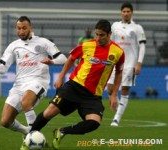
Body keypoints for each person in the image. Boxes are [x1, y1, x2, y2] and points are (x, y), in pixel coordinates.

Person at [23, 19, 125, 150]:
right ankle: (27, 142)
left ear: (109, 34)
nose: (98, 38)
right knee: (49, 113)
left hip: (93, 95)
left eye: (101, 35)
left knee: (94, 123)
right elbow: (71, 59)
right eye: (96, 34)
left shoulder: (118, 52)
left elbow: (118, 73)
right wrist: (60, 77)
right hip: (74, 87)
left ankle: (61, 132)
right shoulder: (86, 45)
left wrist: (114, 94)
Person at [0, 16, 67, 138]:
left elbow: (63, 58)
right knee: (5, 121)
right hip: (19, 86)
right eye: (18, 28)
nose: (21, 31)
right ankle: (27, 132)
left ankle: (34, 136)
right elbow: (3, 68)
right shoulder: (13, 46)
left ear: (30, 27)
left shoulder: (43, 42)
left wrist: (51, 61)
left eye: (24, 28)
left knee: (26, 103)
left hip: (38, 82)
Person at [107, 2, 146, 127]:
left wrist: (139, 63)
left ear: (132, 13)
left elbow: (142, 46)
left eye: (128, 11)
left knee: (124, 89)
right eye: (124, 11)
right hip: (114, 63)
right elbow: (109, 43)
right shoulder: (114, 26)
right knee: (110, 89)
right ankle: (118, 105)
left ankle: (116, 118)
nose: (126, 13)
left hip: (130, 63)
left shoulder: (137, 28)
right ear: (121, 13)